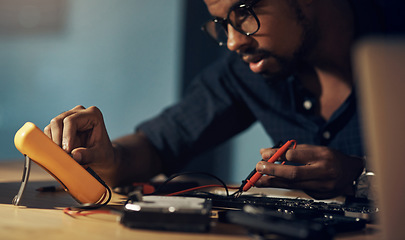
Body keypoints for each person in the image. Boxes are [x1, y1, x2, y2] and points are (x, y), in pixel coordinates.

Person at [44, 0, 395, 199]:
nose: (233, 42)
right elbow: (157, 145)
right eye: (221, 23)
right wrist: (107, 156)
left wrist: (361, 174)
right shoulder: (248, 71)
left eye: (245, 11)